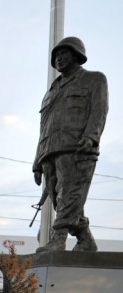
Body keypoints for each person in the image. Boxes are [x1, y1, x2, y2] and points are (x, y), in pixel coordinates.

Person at [33, 36, 109, 253]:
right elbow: (43, 126)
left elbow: (99, 109)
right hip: (49, 151)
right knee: (60, 199)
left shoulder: (94, 79)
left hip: (77, 147)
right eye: (55, 56)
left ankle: (58, 239)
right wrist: (36, 162)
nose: (58, 59)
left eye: (63, 54)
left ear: (77, 55)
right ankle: (85, 239)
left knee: (70, 195)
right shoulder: (51, 91)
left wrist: (91, 136)